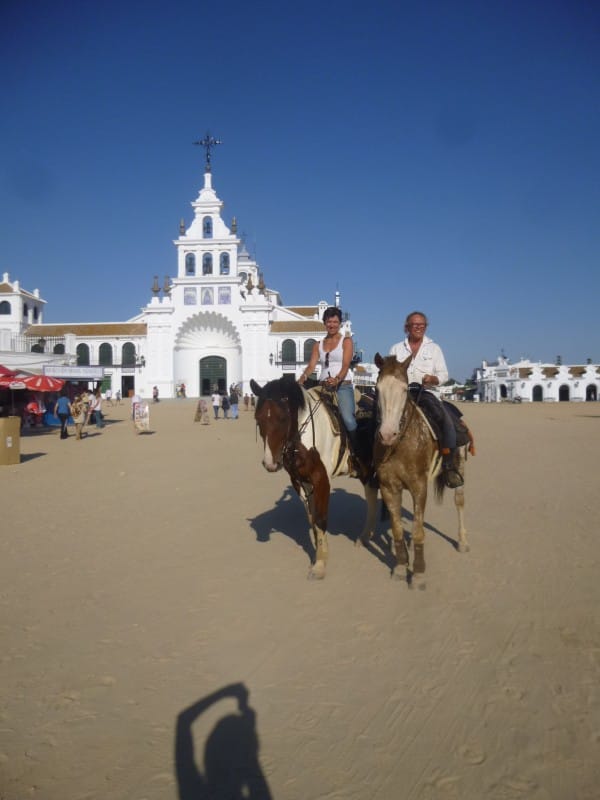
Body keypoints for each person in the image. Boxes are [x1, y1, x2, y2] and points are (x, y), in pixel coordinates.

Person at [390, 310, 463, 488]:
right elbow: (389, 372)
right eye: (415, 325)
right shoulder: (396, 349)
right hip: (403, 394)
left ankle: (448, 466)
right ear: (406, 327)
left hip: (427, 393)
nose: (419, 328)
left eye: (422, 325)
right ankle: (378, 465)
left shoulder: (434, 348)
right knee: (380, 419)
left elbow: (444, 374)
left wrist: (433, 379)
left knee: (446, 422)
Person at [298, 306, 359, 466]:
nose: (332, 325)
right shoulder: (318, 345)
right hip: (323, 385)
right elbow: (311, 366)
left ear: (339, 323)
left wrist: (337, 379)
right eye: (329, 322)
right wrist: (302, 378)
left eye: (335, 322)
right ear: (324, 323)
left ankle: (357, 453)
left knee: (348, 419)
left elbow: (346, 365)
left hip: (342, 386)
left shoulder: (346, 341)